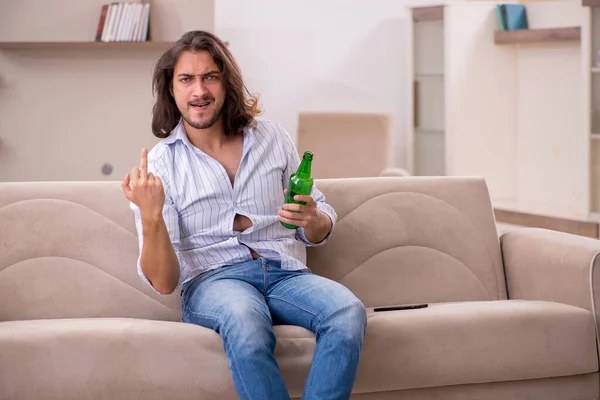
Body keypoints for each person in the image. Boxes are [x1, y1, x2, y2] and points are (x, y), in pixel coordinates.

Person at [121, 30, 367, 400]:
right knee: (246, 322)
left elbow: (318, 222)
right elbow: (165, 282)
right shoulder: (161, 164)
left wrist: (315, 220)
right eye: (186, 79)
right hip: (214, 282)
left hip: (285, 274)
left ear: (226, 83)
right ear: (171, 90)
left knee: (347, 312)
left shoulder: (272, 139)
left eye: (210, 77)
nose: (198, 91)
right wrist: (152, 215)